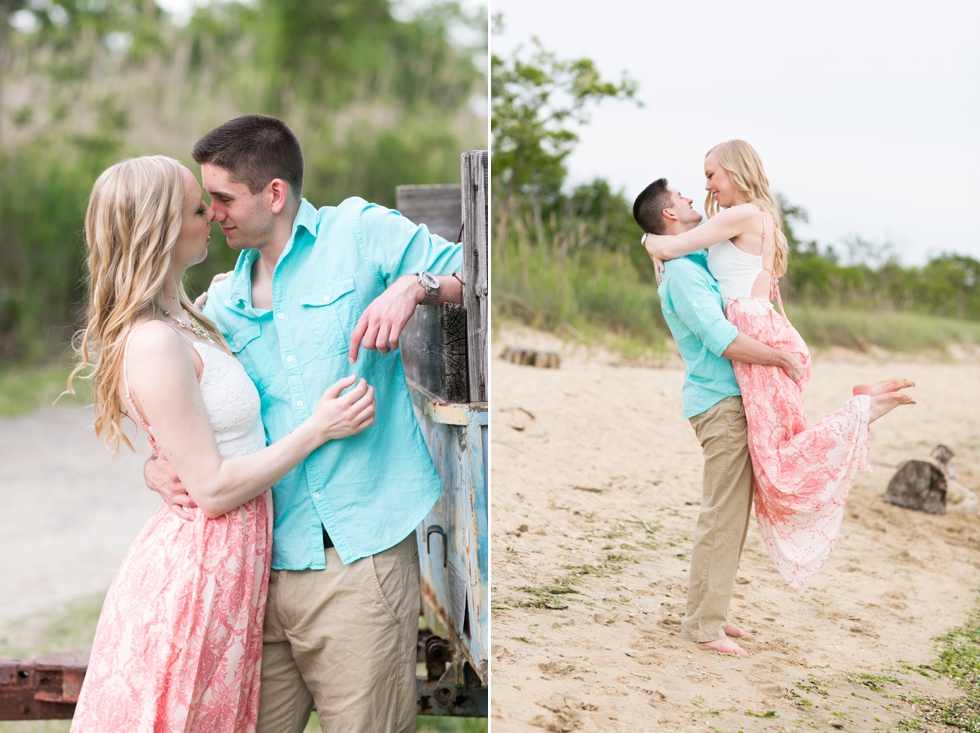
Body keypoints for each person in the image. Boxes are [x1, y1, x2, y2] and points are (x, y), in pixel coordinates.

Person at [144, 114, 464, 733]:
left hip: (358, 563)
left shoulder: (360, 231)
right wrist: (159, 465)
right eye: (205, 202)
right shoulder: (222, 301)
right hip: (255, 571)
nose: (212, 213)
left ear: (274, 193)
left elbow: (476, 273)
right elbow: (193, 414)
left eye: (222, 198)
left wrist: (413, 285)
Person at [67, 155, 376, 731]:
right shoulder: (154, 341)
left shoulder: (186, 317)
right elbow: (210, 489)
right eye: (195, 209)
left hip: (229, 563)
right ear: (159, 230)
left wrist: (155, 469)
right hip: (199, 570)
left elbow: (192, 439)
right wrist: (319, 427)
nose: (211, 214)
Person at [639, 141, 914, 594]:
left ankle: (863, 409)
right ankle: (862, 407)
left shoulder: (742, 215)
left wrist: (649, 239)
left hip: (755, 331)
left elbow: (674, 244)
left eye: (710, 175)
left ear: (734, 170)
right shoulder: (743, 219)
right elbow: (688, 250)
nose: (704, 187)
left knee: (779, 461)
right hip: (761, 330)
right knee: (780, 454)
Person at [632, 178, 808, 655]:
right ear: (670, 214)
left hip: (733, 398)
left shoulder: (692, 260)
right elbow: (722, 339)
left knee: (733, 515)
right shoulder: (685, 276)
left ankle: (713, 611)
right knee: (721, 515)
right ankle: (702, 626)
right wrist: (782, 359)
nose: (694, 198)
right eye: (682, 198)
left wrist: (651, 242)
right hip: (719, 403)